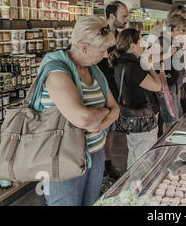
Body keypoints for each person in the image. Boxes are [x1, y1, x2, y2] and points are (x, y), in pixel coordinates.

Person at [29, 15, 120, 206]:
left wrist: (99, 121)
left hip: (95, 154)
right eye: (102, 49)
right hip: (63, 159)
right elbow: (85, 119)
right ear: (84, 46)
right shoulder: (56, 71)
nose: (105, 55)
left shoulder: (94, 71)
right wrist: (102, 112)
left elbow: (116, 109)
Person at [109, 28, 161, 168]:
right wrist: (149, 67)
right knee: (145, 160)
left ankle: (132, 187)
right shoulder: (133, 67)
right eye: (140, 42)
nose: (142, 46)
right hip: (143, 119)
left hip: (130, 117)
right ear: (132, 46)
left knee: (134, 156)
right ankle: (141, 188)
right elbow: (157, 86)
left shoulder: (119, 63)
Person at [97, 1, 129, 183]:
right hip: (100, 88)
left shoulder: (119, 36)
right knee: (100, 128)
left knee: (109, 129)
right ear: (111, 17)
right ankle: (99, 167)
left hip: (113, 87)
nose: (126, 19)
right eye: (123, 16)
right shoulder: (99, 35)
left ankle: (107, 164)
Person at [152, 14, 186, 133]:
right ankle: (170, 148)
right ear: (174, 28)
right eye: (183, 31)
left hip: (174, 85)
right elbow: (148, 59)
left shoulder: (173, 42)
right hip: (167, 87)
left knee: (177, 118)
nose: (184, 34)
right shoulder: (162, 41)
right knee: (172, 121)